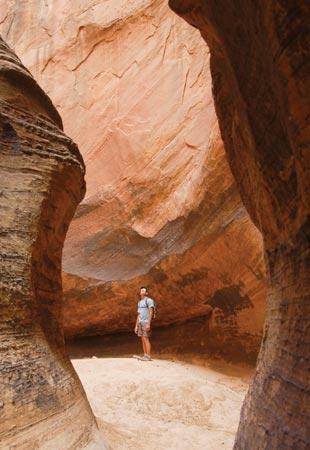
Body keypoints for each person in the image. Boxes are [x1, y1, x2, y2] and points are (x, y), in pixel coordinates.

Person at [134, 287, 155, 361]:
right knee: (142, 339)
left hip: (146, 322)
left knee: (146, 338)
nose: (142, 291)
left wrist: (148, 323)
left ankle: (148, 356)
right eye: (141, 290)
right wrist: (136, 326)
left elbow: (151, 312)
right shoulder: (139, 302)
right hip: (140, 322)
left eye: (143, 290)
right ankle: (145, 355)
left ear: (146, 293)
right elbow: (138, 314)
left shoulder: (149, 300)